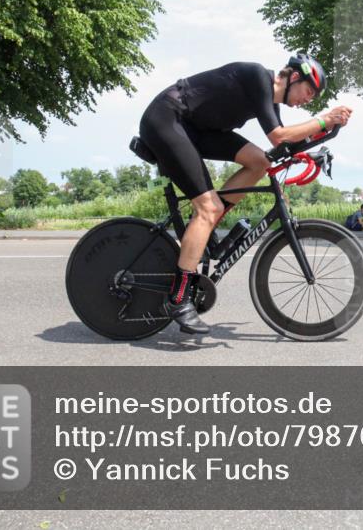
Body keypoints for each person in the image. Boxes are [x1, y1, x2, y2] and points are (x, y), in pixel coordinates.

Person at [138, 54, 351, 335]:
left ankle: (206, 223)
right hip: (167, 119)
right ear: (294, 77)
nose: (307, 100)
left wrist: (322, 140)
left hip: (194, 129)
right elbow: (279, 136)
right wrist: (324, 120)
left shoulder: (270, 101)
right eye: (308, 92)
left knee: (260, 162)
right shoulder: (257, 76)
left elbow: (283, 144)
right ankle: (178, 298)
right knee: (207, 207)